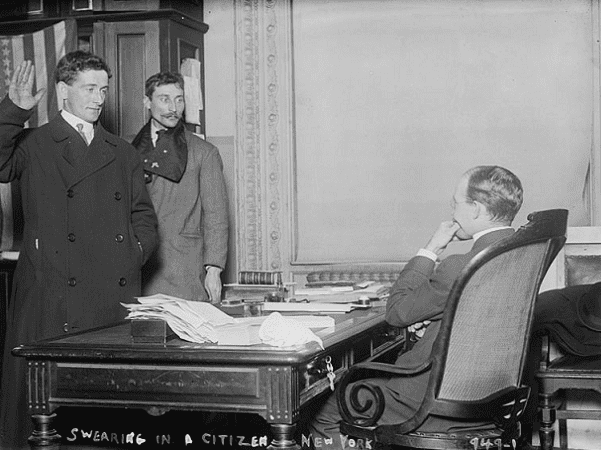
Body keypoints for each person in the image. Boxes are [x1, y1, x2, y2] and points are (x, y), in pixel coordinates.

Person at [0, 53, 158, 449]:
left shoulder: (121, 151)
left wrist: (135, 252)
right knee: (46, 414)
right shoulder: (35, 143)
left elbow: (143, 214)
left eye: (103, 89)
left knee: (107, 419)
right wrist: (15, 110)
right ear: (62, 92)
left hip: (112, 297)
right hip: (53, 293)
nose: (99, 98)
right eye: (89, 88)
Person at [308, 165, 524, 450]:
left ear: (474, 209)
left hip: (431, 399)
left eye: (455, 204)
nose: (452, 212)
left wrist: (431, 248)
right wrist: (440, 320)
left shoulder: (461, 266)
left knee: (328, 405)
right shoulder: (520, 256)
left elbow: (396, 312)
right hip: (492, 397)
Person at [131, 71, 228, 304]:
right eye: (164, 99)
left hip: (183, 268)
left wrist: (214, 269)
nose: (173, 107)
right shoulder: (126, 150)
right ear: (147, 102)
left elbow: (216, 215)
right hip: (139, 265)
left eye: (179, 99)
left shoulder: (203, 152)